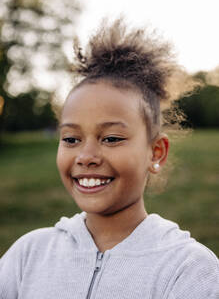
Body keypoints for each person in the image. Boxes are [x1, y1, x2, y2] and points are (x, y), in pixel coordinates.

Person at [0, 19, 218, 299]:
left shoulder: (189, 270)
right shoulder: (27, 256)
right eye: (71, 139)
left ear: (156, 152)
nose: (86, 156)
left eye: (111, 138)